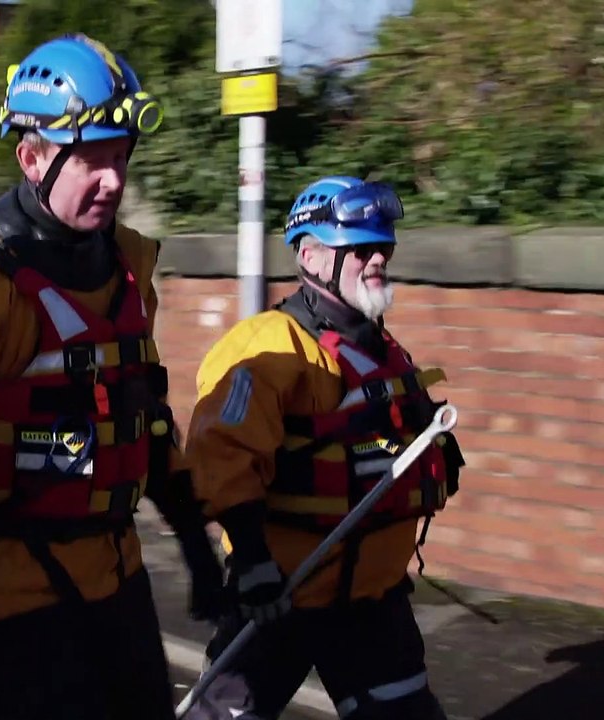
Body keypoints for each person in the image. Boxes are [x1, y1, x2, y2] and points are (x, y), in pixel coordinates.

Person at [0, 33, 226, 720]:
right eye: (92, 159)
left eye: (121, 156)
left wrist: (195, 544)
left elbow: (142, 414)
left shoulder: (128, 265)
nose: (114, 180)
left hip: (119, 587)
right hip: (5, 604)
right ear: (31, 157)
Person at [182, 176, 466, 720]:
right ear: (310, 256)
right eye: (359, 249)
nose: (377, 258)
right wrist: (253, 561)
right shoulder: (268, 347)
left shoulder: (384, 350)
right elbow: (219, 457)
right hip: (279, 596)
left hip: (372, 603)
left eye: (382, 247)